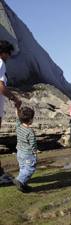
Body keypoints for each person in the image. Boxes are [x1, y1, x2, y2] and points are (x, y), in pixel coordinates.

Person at [0, 40, 21, 176]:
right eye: (8, 54)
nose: (8, 57)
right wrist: (15, 98)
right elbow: (1, 86)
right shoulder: (0, 62)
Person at [13, 106, 37, 193]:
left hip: (19, 152)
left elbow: (17, 116)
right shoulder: (30, 131)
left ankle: (23, 184)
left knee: (23, 168)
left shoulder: (18, 125)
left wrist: (17, 108)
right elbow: (33, 144)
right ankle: (20, 181)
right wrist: (35, 152)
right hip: (28, 154)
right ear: (30, 119)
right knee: (30, 169)